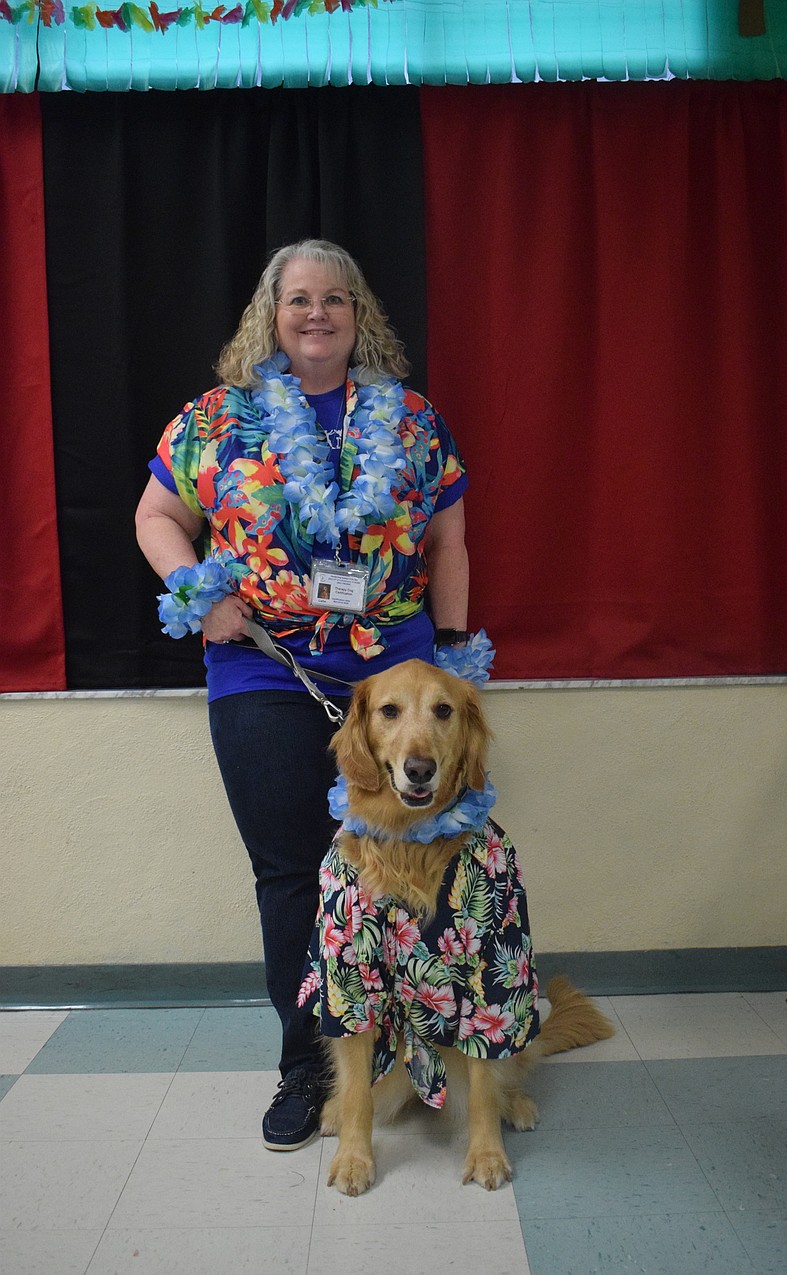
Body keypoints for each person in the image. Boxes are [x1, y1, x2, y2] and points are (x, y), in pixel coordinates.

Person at [135, 239, 470, 1152]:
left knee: (411, 867)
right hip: (265, 670)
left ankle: (421, 1049)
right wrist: (201, 593)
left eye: (335, 299)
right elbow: (155, 516)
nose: (317, 313)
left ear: (360, 314)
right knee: (292, 876)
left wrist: (451, 662)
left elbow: (449, 540)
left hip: (392, 679)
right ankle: (310, 1067)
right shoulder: (218, 419)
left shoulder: (410, 420)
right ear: (270, 314)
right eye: (298, 300)